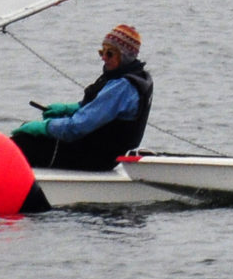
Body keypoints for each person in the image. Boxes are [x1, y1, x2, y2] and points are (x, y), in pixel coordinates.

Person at [12, 24, 153, 171]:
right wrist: (67, 109)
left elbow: (75, 128)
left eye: (110, 53)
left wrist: (44, 127)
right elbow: (97, 108)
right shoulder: (136, 76)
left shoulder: (122, 87)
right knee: (28, 137)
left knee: (24, 142)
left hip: (97, 157)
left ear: (124, 56)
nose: (104, 58)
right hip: (101, 153)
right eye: (102, 52)